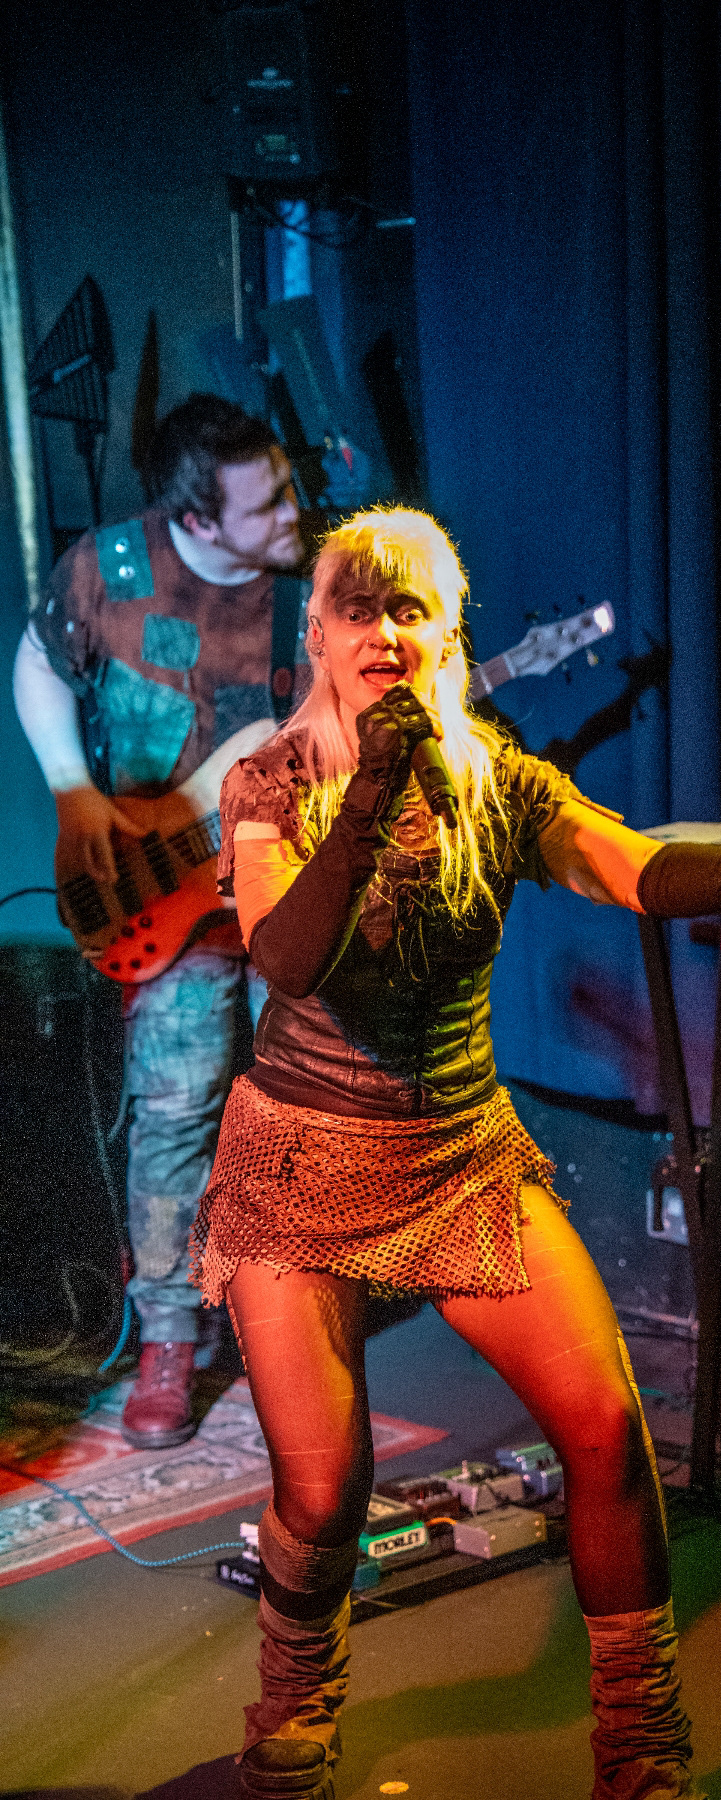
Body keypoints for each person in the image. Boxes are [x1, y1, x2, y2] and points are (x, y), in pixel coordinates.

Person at [194, 506, 721, 1800]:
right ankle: (294, 1700)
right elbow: (286, 957)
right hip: (299, 1161)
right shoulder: (271, 783)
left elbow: (629, 866)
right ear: (318, 635)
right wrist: (371, 797)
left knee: (608, 1430)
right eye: (360, 609)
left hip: (456, 1154)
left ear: (447, 637)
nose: (386, 633)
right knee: (327, 1486)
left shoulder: (496, 782)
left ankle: (642, 1742)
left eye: (412, 610)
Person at [12, 393, 306, 1448]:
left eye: (288, 487)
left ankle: (294, 1321)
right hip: (168, 900)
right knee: (176, 1116)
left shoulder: (315, 588)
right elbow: (40, 663)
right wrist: (72, 791)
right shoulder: (111, 569)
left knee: (302, 1110)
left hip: (288, 892)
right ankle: (171, 1338)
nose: (294, 511)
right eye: (268, 503)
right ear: (196, 521)